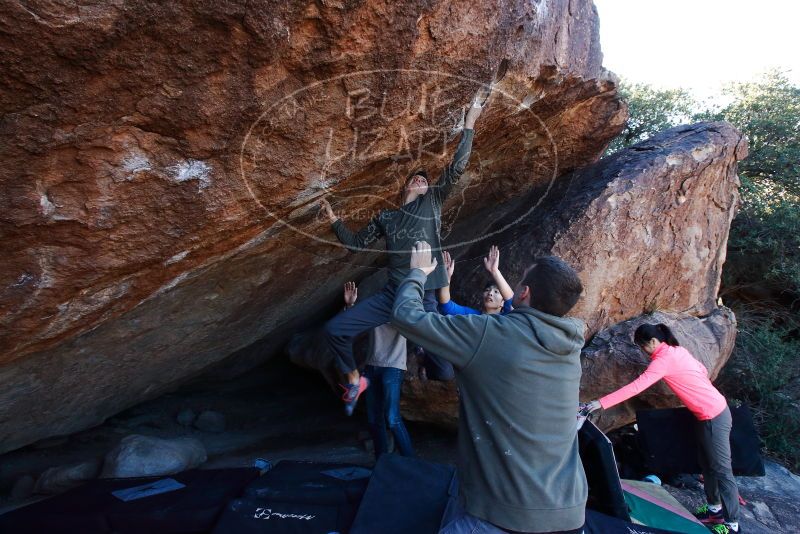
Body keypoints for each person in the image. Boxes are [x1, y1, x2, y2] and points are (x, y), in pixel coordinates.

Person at [391, 241, 587, 534]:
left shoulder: (490, 334)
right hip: (570, 511)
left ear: (523, 293)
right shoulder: (570, 347)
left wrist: (417, 273)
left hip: (508, 515)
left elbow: (405, 317)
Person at [319, 90, 486, 415]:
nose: (421, 180)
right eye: (416, 178)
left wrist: (470, 123)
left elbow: (456, 167)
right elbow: (355, 243)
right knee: (333, 331)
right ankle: (355, 379)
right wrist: (335, 220)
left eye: (425, 178)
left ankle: (424, 356)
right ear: (406, 187)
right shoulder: (387, 217)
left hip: (423, 294)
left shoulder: (433, 202)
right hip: (392, 295)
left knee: (445, 370)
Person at [584, 323, 741, 534]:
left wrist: (600, 403)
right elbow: (702, 370)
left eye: (642, 347)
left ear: (653, 342)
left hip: (714, 416)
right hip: (707, 414)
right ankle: (714, 511)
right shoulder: (677, 350)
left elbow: (637, 387)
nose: (643, 351)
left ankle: (732, 524)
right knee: (707, 464)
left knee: (721, 470)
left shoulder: (663, 360)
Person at [343, 281, 415, 459]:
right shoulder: (375, 313)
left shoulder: (404, 310)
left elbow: (418, 325)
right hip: (372, 368)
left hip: (393, 367)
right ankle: (382, 464)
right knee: (374, 420)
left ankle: (412, 463)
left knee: (392, 418)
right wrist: (350, 305)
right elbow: (351, 327)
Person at [438, 245, 514, 316]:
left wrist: (494, 271)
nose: (490, 293)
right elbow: (446, 306)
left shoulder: (506, 319)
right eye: (487, 290)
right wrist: (447, 278)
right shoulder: (472, 315)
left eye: (496, 292)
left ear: (503, 302)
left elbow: (510, 299)